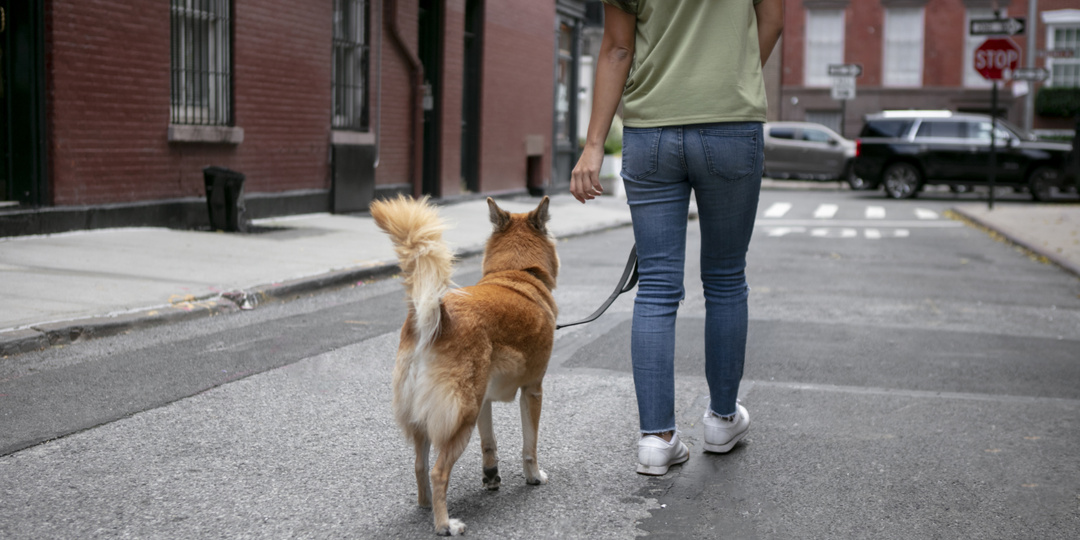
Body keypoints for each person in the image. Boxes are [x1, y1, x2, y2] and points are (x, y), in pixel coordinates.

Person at [570, 0, 783, 475]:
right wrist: (735, 80)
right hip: (732, 126)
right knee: (726, 278)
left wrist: (591, 148)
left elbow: (617, 48)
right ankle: (722, 420)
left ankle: (656, 438)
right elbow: (773, 21)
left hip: (652, 131)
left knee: (658, 287)